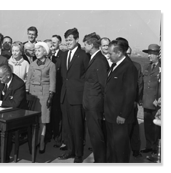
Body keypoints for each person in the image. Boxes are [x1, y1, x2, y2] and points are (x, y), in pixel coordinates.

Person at [0, 64, 27, 163]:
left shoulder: (19, 84)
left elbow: (16, 104)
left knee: (5, 130)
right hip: (3, 111)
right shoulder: (1, 82)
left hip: (18, 114)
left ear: (7, 75)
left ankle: (4, 157)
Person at [58, 28, 90, 163]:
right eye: (66, 40)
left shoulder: (83, 55)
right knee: (67, 126)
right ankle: (70, 151)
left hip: (77, 98)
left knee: (77, 127)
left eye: (70, 40)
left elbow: (87, 77)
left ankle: (78, 154)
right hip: (65, 96)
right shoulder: (64, 55)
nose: (68, 42)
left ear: (77, 40)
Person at [104, 39, 138, 163]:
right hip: (111, 115)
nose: (108, 55)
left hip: (120, 117)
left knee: (120, 151)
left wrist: (123, 115)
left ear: (118, 53)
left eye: (110, 53)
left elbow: (130, 94)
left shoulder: (129, 68)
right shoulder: (114, 66)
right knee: (112, 149)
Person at [82, 32, 109, 163]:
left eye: (85, 44)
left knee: (96, 135)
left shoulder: (99, 60)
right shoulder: (94, 58)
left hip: (95, 104)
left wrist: (103, 106)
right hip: (91, 103)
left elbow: (104, 85)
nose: (84, 46)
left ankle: (100, 161)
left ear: (91, 45)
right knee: (94, 134)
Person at [26, 42, 56, 154]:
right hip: (33, 95)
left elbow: (53, 82)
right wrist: (27, 92)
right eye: (35, 50)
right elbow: (28, 80)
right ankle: (34, 142)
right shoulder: (32, 64)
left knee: (43, 120)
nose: (36, 52)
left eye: (39, 50)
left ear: (45, 52)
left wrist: (51, 96)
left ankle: (42, 142)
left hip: (44, 94)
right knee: (33, 120)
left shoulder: (51, 65)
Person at [140, 44, 161, 156]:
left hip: (156, 103)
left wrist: (158, 99)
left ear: (157, 55)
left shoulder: (162, 68)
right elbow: (143, 84)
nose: (149, 56)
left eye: (151, 54)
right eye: (148, 54)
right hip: (146, 101)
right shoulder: (147, 67)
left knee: (156, 127)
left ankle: (155, 149)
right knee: (147, 126)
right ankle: (149, 146)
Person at [126, 46, 144, 158]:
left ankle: (135, 150)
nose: (127, 56)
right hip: (123, 102)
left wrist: (136, 99)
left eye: (129, 53)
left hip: (131, 102)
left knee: (133, 126)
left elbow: (140, 84)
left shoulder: (136, 66)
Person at [50, 34, 65, 149]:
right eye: (51, 42)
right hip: (48, 90)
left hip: (58, 90)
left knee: (57, 115)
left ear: (59, 43)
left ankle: (58, 138)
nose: (53, 44)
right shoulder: (48, 55)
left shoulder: (62, 56)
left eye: (55, 42)